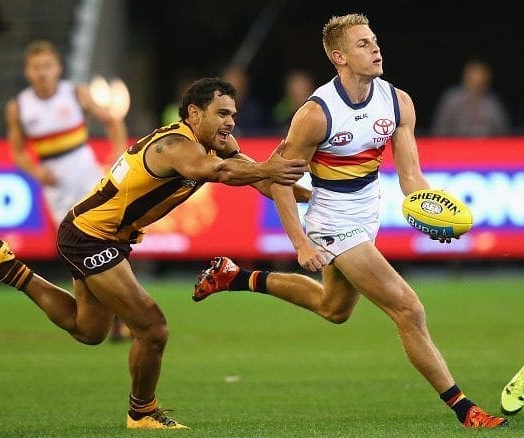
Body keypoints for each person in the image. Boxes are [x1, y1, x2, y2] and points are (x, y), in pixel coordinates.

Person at [193, 14, 507, 429]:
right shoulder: (316, 113)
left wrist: (433, 211)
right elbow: (281, 181)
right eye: (363, 44)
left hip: (368, 216)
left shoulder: (398, 102)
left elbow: (412, 179)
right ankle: (466, 410)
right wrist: (301, 243)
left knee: (334, 308)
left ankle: (236, 277)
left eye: (374, 40)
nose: (375, 48)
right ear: (339, 57)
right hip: (331, 222)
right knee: (408, 309)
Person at [0, 77, 309, 429]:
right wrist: (269, 167)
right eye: (222, 113)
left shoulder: (217, 142)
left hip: (104, 237)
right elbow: (218, 172)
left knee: (89, 330)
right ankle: (142, 413)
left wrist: (312, 195)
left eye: (233, 114)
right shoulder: (175, 146)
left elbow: (255, 177)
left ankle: (7, 267)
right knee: (153, 328)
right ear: (195, 114)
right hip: (89, 236)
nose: (230, 121)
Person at [5, 40, 130, 341]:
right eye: (36, 68)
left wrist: (117, 156)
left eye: (47, 66)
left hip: (88, 180)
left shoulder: (75, 93)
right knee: (75, 252)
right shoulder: (19, 107)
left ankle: (120, 316)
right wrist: (36, 171)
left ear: (57, 68)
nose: (42, 73)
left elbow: (112, 120)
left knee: (102, 244)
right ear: (28, 72)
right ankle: (111, 316)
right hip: (56, 188)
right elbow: (18, 152)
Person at [430, 58, 510, 137]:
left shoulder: (493, 103)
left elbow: (503, 133)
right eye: (474, 73)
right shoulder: (452, 99)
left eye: (481, 74)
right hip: (455, 146)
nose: (477, 78)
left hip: (486, 147)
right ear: (465, 75)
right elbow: (439, 130)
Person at [271, 69, 315, 136]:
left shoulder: (319, 109)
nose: (298, 93)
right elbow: (275, 129)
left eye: (302, 88)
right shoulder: (282, 110)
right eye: (295, 88)